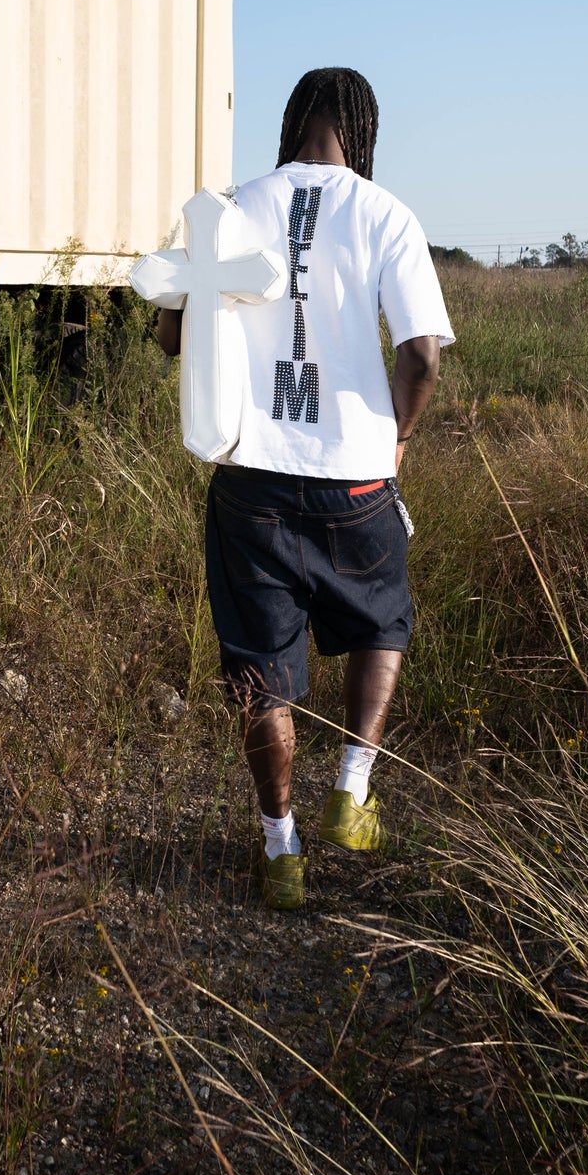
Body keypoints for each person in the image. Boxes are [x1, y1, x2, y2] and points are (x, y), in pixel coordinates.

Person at [157, 67, 453, 910]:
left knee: (259, 669)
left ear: (290, 123)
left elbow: (170, 334)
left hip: (249, 476)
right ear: (358, 128)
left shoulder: (229, 207)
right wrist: (394, 432)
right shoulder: (385, 213)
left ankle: (279, 851)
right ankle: (349, 795)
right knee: (383, 618)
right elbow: (424, 354)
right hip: (354, 479)